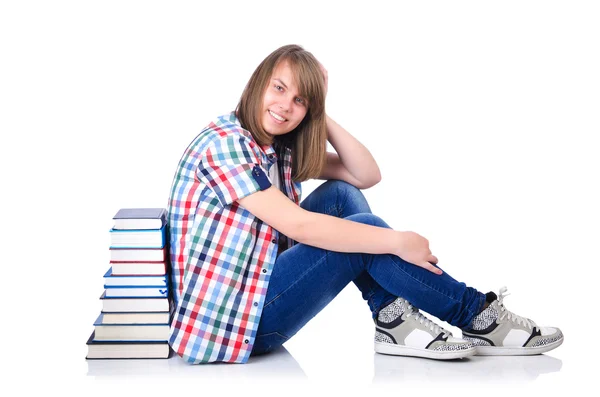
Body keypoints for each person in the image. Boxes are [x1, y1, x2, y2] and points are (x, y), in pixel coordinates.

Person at [166, 44, 563, 364]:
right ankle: (475, 315)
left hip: (255, 293)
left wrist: (319, 110)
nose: (286, 106)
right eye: (279, 88)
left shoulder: (273, 146)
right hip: (235, 325)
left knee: (342, 198)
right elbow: (300, 228)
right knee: (367, 231)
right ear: (257, 84)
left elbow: (364, 175)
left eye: (301, 100)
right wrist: (396, 242)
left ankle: (393, 319)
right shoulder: (226, 145)